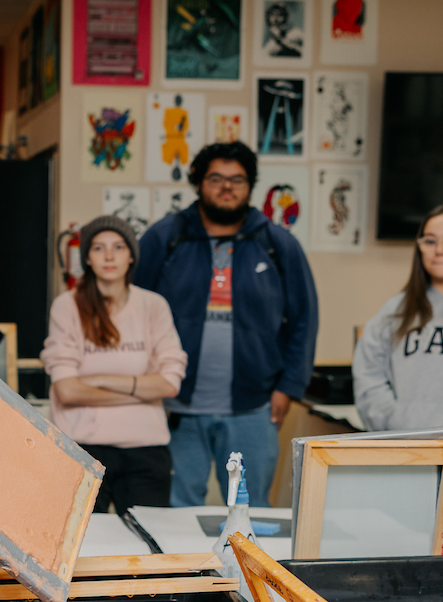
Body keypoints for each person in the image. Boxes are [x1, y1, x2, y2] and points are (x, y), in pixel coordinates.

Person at [133, 141, 318, 507]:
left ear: (250, 186)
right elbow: (132, 310)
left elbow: (304, 320)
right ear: (199, 183)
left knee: (248, 512)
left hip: (254, 407)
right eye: (216, 178)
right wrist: (144, 385)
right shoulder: (165, 237)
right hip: (174, 406)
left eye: (237, 179)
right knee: (174, 512)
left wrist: (288, 387)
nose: (227, 187)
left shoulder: (277, 244)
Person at [354, 204, 443, 554]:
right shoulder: (394, 312)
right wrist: (401, 424)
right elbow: (368, 379)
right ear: (419, 248)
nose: (439, 250)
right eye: (429, 240)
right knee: (400, 561)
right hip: (404, 465)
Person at [41, 216, 187, 515]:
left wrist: (98, 379)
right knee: (81, 541)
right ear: (87, 258)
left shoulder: (154, 306)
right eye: (98, 248)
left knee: (145, 540)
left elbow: (170, 383)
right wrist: (142, 391)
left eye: (119, 247)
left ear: (131, 255)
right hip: (81, 451)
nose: (109, 256)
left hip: (145, 451)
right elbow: (68, 391)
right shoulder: (67, 306)